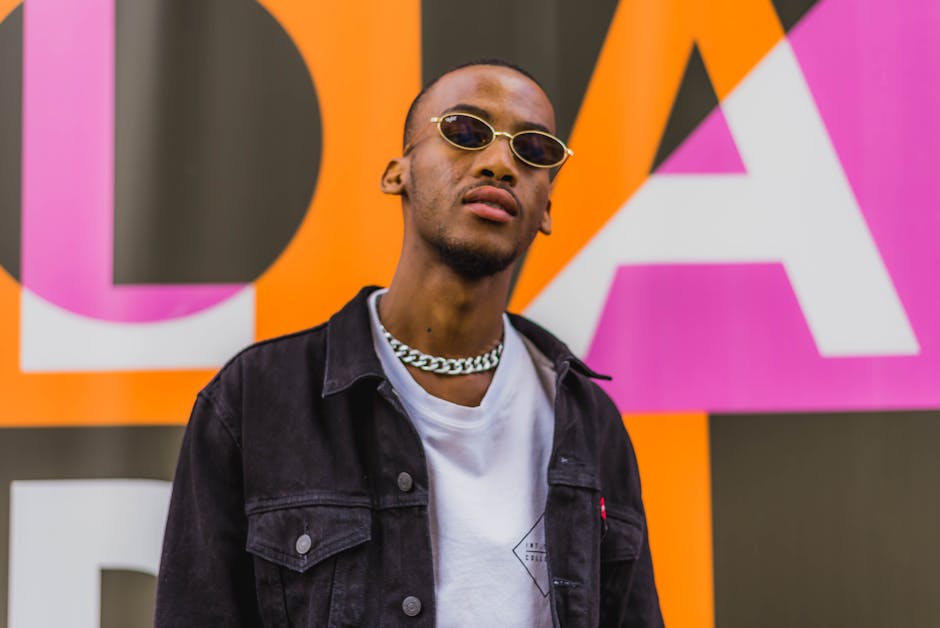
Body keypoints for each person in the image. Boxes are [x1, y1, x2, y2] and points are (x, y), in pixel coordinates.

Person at [155, 59, 663, 627]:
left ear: (547, 205)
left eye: (534, 151)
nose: (499, 163)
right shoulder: (255, 401)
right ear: (398, 172)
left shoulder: (588, 423)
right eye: (465, 132)